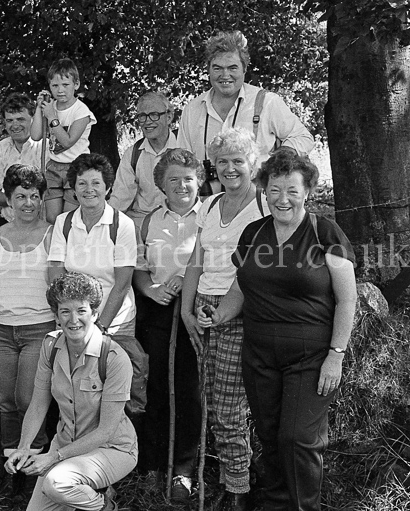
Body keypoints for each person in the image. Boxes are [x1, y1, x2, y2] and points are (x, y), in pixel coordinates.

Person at [198, 150, 356, 511]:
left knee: (298, 438)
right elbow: (241, 287)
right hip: (259, 355)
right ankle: (273, 502)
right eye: (274, 189)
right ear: (264, 191)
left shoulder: (323, 231)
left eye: (292, 190)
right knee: (271, 436)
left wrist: (336, 356)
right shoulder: (254, 233)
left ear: (307, 191)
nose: (282, 199)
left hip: (311, 356)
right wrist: (219, 315)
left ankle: (302, 506)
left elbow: (347, 300)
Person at [180, 127, 269, 511]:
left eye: (238, 161)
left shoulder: (265, 205)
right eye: (222, 162)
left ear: (252, 164)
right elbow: (196, 261)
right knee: (211, 400)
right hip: (204, 306)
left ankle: (239, 493)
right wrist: (187, 309)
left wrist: (222, 312)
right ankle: (240, 472)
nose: (230, 169)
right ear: (212, 166)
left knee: (230, 405)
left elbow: (259, 271)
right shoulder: (211, 204)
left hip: (241, 309)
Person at [5, 272, 137, 511]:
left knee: (57, 483)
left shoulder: (115, 358)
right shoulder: (50, 346)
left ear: (95, 314)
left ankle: (106, 507)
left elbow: (106, 432)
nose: (73, 319)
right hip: (65, 444)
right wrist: (24, 447)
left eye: (81, 310)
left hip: (110, 449)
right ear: (56, 316)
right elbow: (37, 404)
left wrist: (54, 458)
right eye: (65, 311)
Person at [0, 164, 54, 495]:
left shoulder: (53, 233)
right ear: (9, 199)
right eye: (21, 196)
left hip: (39, 330)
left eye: (35, 196)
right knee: (5, 402)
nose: (28, 203)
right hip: (2, 331)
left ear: (42, 198)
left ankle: (35, 470)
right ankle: (11, 468)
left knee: (28, 399)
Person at [131, 148, 203, 501]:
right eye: (172, 179)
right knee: (156, 387)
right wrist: (152, 289)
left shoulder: (211, 214)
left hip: (195, 310)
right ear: (161, 185)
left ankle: (184, 470)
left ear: (199, 181)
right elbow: (139, 267)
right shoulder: (148, 221)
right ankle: (153, 466)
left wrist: (181, 279)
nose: (181, 186)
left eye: (188, 179)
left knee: (188, 390)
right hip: (158, 311)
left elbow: (217, 260)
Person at [177, 30, 314, 196]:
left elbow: (304, 139)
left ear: (244, 69)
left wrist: (271, 162)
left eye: (232, 67)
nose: (225, 75)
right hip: (208, 206)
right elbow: (183, 162)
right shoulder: (192, 109)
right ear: (208, 70)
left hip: (258, 202)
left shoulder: (266, 102)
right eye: (217, 68)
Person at [48, 153, 139, 362]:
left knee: (114, 385)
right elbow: (56, 275)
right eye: (82, 183)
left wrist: (100, 327)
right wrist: (74, 321)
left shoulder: (122, 225)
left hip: (115, 323)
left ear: (107, 188)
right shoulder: (64, 223)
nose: (89, 189)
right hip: (74, 323)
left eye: (96, 183)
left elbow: (122, 284)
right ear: (74, 189)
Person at [30, 58, 97, 224]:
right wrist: (39, 109)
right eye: (55, 86)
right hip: (53, 166)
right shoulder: (51, 106)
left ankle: (71, 247)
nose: (60, 90)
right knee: (52, 218)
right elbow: (36, 136)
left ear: (76, 84)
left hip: (76, 167)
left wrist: (52, 118)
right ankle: (55, 246)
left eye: (65, 85)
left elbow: (67, 142)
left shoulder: (81, 112)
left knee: (68, 219)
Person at [108, 91, 180, 223]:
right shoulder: (133, 154)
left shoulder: (184, 148)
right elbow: (120, 198)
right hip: (142, 220)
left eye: (154, 115)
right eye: (142, 116)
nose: (147, 122)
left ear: (169, 117)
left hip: (178, 220)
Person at [0, 93, 41, 225]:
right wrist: (22, 199)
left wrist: (16, 198)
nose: (15, 125)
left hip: (39, 222)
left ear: (33, 120)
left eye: (20, 119)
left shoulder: (44, 148)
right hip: (9, 221)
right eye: (10, 120)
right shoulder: (3, 146)